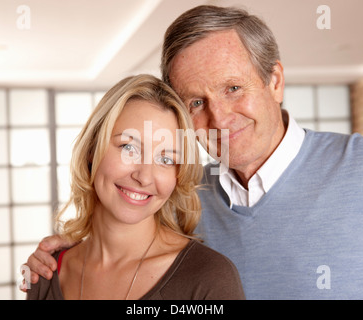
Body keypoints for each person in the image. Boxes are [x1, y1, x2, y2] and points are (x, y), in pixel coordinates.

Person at [24, 6, 363, 299]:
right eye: (196, 101)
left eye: (233, 88)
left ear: (275, 81)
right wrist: (73, 250)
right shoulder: (183, 198)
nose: (219, 117)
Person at [25, 74, 245, 300]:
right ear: (92, 148)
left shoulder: (208, 279)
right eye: (129, 148)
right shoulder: (45, 271)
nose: (144, 177)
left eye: (167, 159)